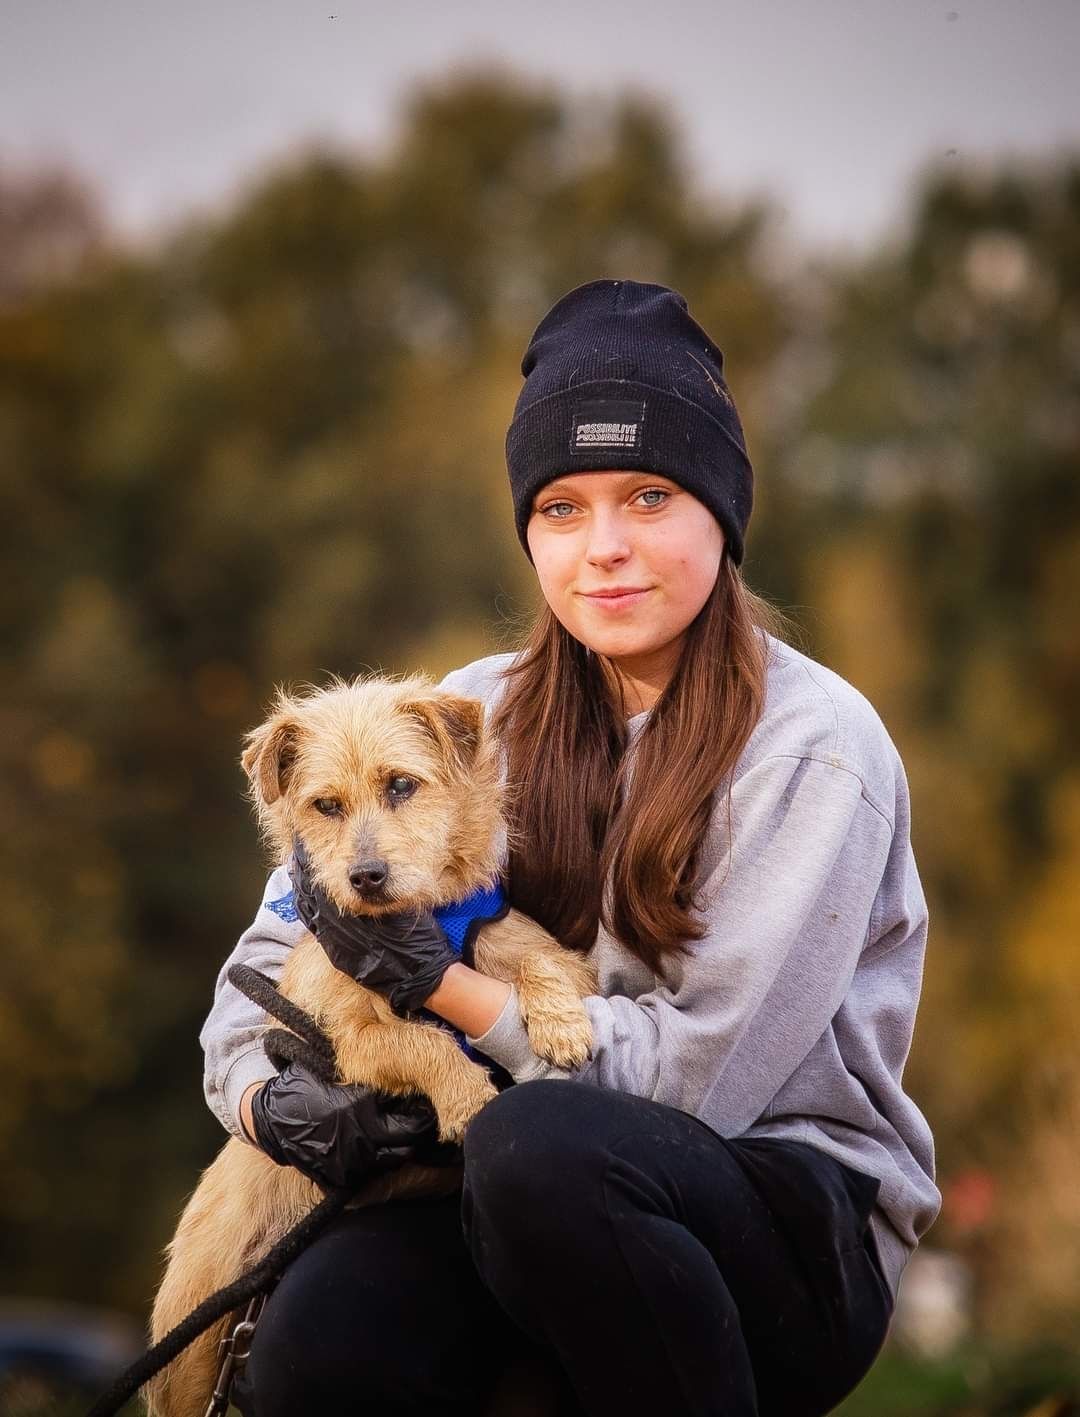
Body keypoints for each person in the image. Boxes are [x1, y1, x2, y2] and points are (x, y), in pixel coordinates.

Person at [199, 278, 941, 1417]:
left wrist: (451, 994)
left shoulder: (814, 747)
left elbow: (705, 1081)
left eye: (649, 496)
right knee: (325, 1335)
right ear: (529, 531)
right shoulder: (460, 715)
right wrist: (267, 1102)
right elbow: (258, 977)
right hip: (498, 1181)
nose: (605, 548)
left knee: (542, 1150)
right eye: (562, 508)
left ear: (722, 514)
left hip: (784, 1219)